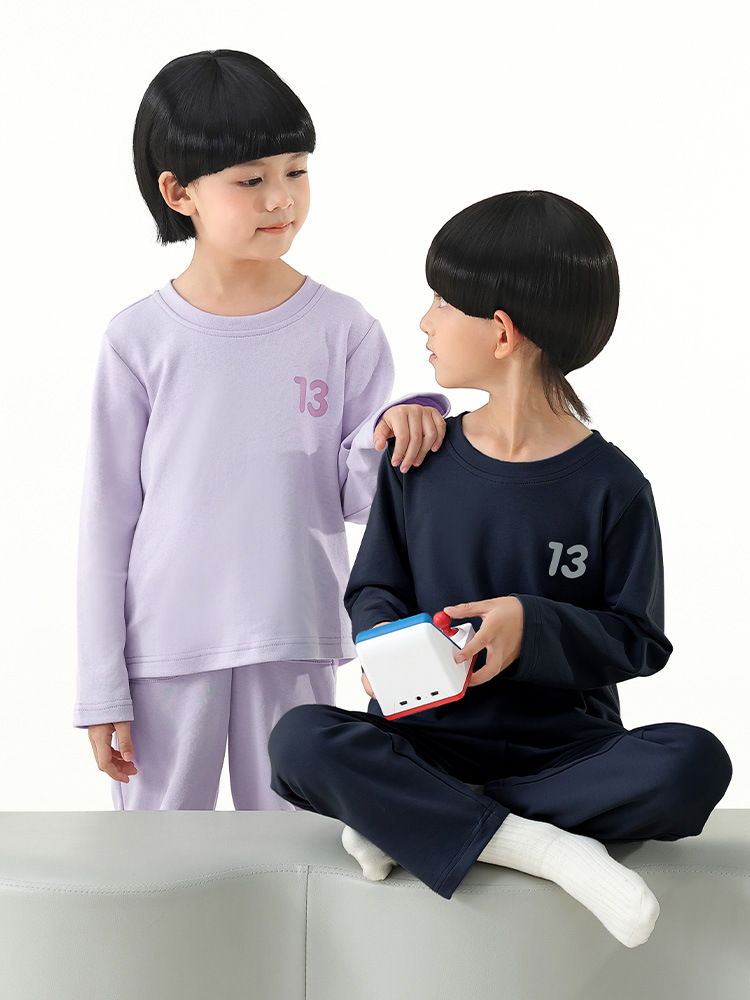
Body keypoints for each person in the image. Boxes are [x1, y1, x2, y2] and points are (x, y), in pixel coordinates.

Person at [268, 190, 733, 948]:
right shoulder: (418, 460)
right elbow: (375, 586)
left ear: (503, 331)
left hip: (564, 753)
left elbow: (639, 639)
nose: (425, 321)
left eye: (442, 302)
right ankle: (540, 846)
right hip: (428, 738)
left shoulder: (613, 486)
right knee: (299, 739)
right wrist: (386, 645)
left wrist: (532, 624)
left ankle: (415, 814)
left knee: (694, 764)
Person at [73, 49, 450, 811]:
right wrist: (99, 685)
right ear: (178, 191)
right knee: (159, 854)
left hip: (293, 630)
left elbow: (360, 498)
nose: (282, 198)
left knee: (293, 847)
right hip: (165, 644)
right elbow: (106, 522)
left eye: (296, 171)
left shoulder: (344, 329)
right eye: (250, 180)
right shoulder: (139, 339)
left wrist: (403, 425)